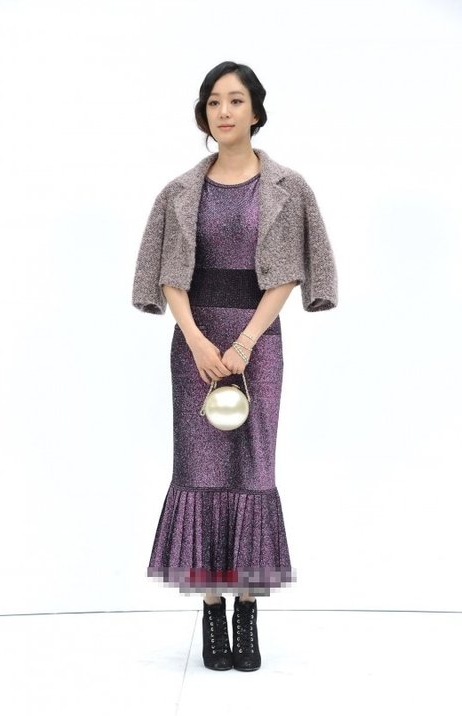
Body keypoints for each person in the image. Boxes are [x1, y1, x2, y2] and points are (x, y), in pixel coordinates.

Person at [132, 61, 338, 672]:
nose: (223, 111)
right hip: (194, 344)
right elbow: (168, 275)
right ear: (204, 114)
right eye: (213, 102)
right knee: (199, 471)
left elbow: (289, 273)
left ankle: (247, 609)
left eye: (235, 100)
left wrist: (245, 342)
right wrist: (195, 339)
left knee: (253, 469)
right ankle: (210, 609)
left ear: (256, 110)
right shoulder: (178, 192)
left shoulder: (287, 187)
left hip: (259, 341)